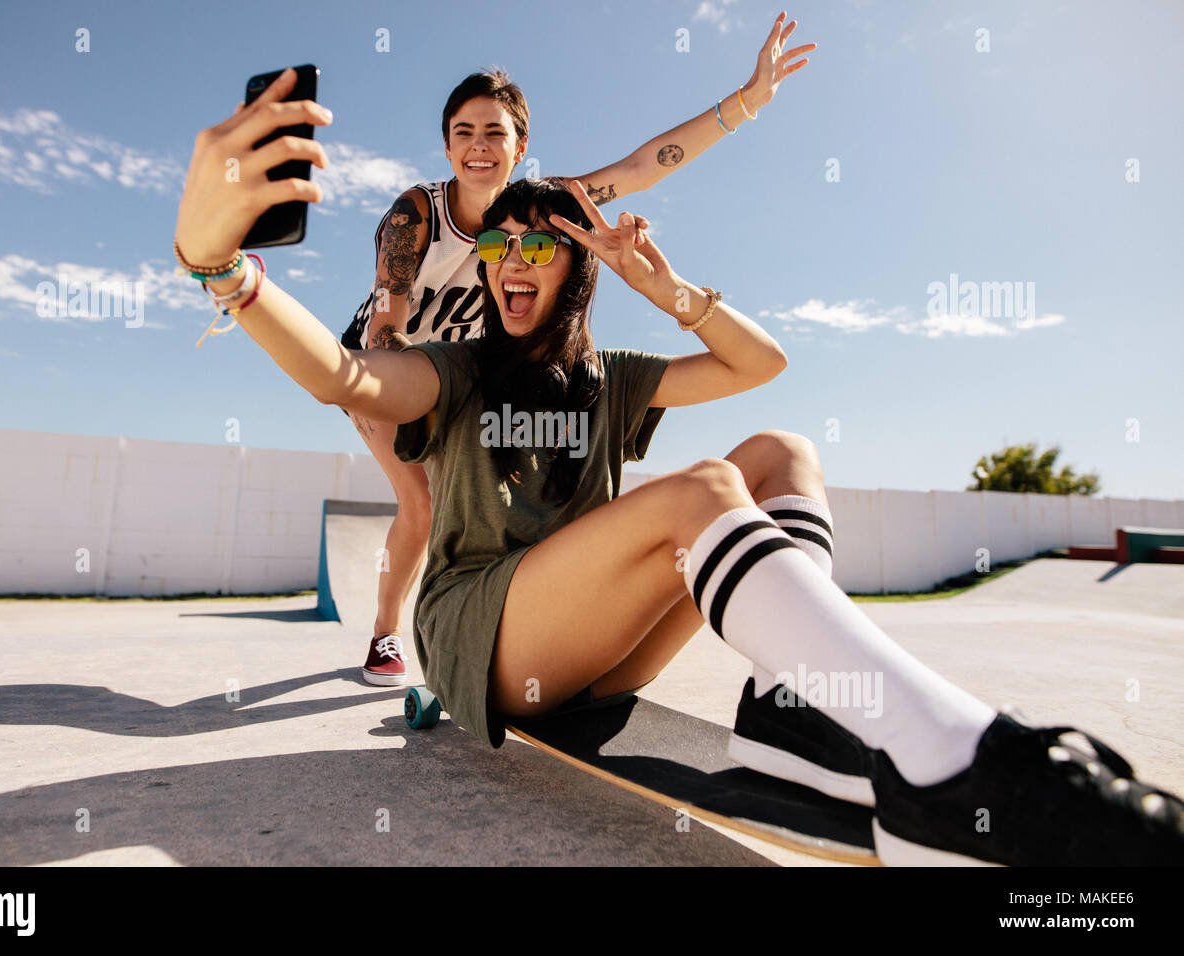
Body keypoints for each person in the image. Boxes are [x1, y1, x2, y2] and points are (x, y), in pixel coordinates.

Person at [173, 70, 1184, 866]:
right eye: (497, 249)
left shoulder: (613, 376)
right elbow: (344, 375)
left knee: (780, 449)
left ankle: (793, 706)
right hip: (484, 636)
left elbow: (763, 365)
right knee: (701, 487)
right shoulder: (455, 369)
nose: (514, 260)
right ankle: (963, 762)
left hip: (591, 644)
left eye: (538, 244)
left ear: (573, 265)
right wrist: (224, 266)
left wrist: (669, 287)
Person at [338, 13, 816, 686]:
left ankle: (540, 623)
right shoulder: (416, 213)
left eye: (494, 134)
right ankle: (387, 636)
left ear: (520, 144)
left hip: (470, 372)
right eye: (463, 134)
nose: (478, 147)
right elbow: (387, 310)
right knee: (422, 501)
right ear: (446, 147)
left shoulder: (545, 208)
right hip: (390, 364)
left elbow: (642, 167)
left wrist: (747, 101)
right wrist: (376, 387)